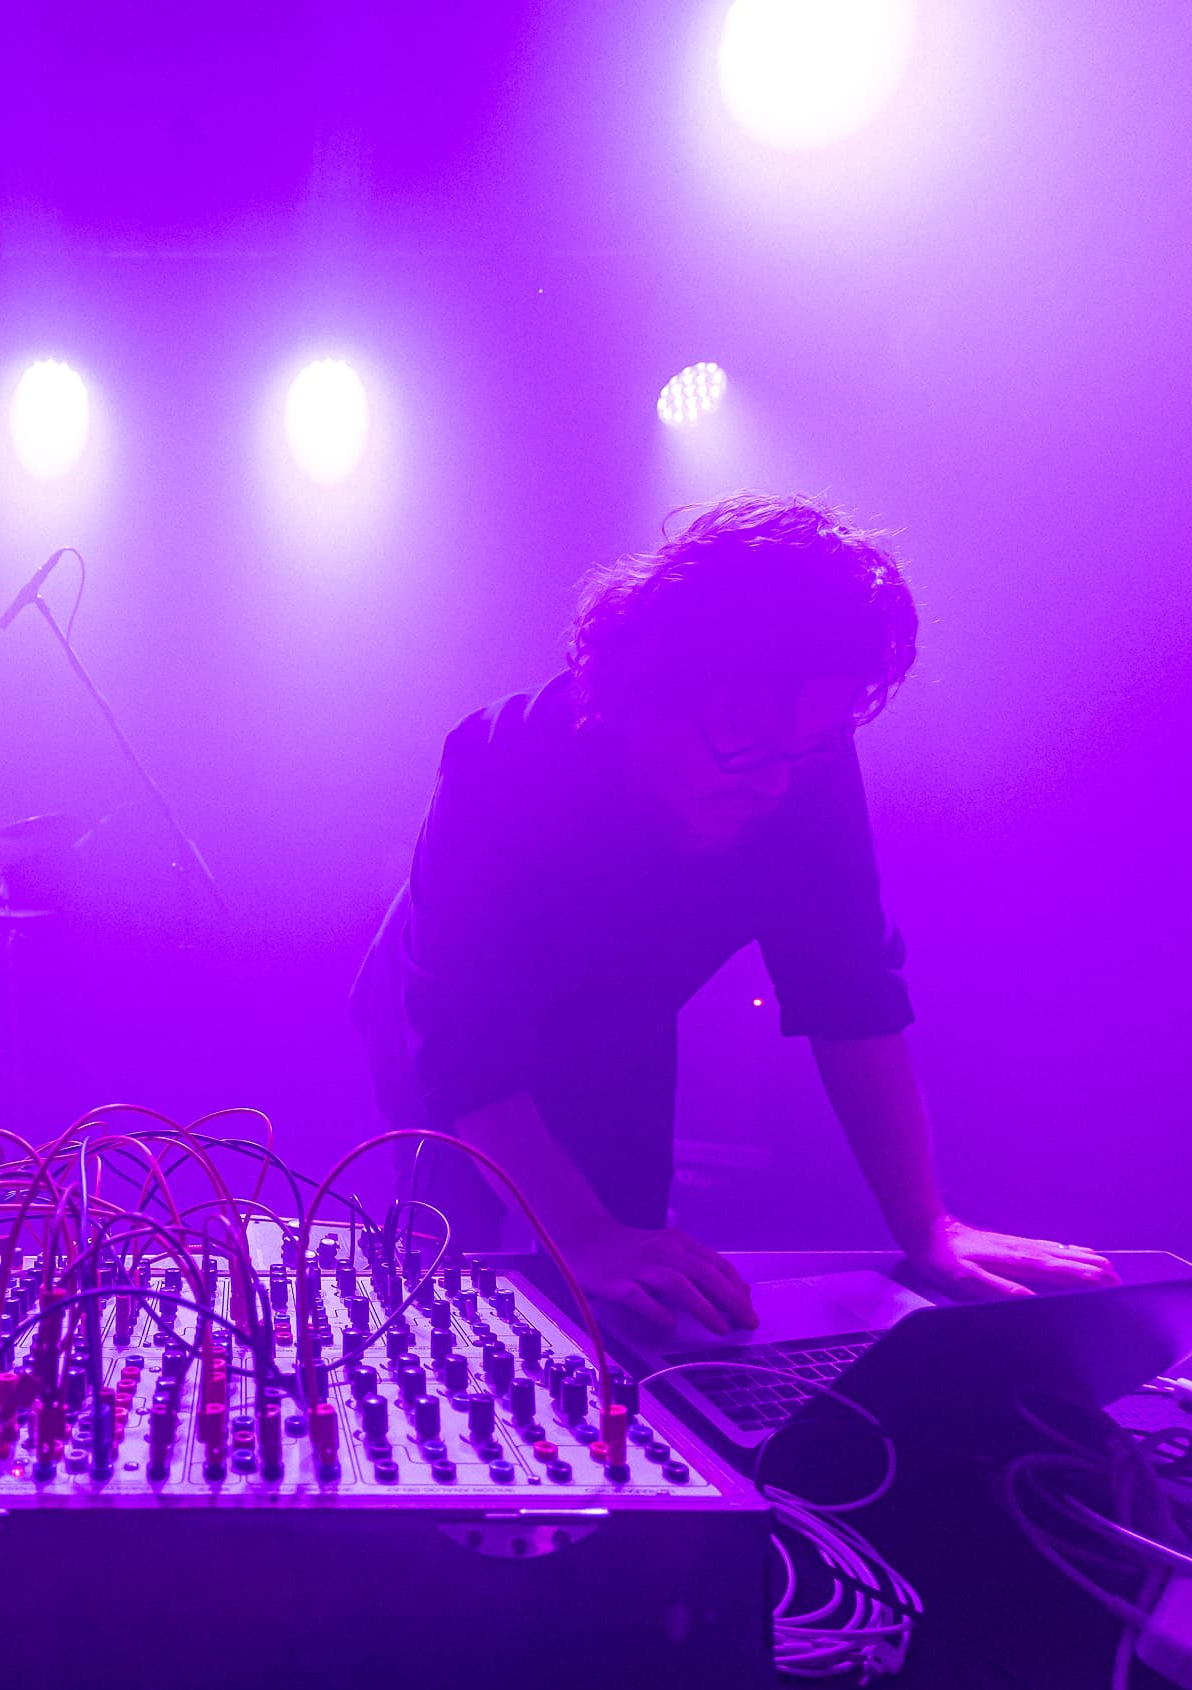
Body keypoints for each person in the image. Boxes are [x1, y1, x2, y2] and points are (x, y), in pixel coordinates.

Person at [351, 495, 1115, 1335]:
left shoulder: (796, 753)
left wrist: (927, 1227)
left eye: (809, 744)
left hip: (623, 1021)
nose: (777, 782)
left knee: (638, 1272)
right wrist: (579, 1233)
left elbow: (851, 992)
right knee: (460, 1242)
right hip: (433, 1015)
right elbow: (465, 1054)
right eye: (745, 743)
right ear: (636, 690)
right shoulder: (502, 764)